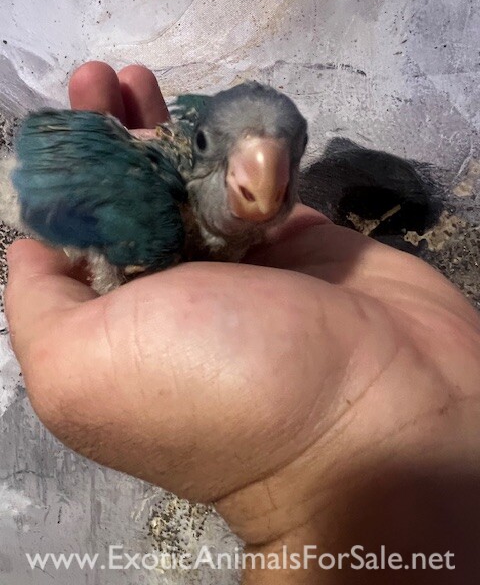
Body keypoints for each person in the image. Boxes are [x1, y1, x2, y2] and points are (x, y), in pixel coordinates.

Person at [5, 61, 480, 583]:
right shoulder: (155, 219)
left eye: (292, 152)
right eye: (211, 145)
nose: (265, 173)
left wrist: (319, 456)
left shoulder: (255, 225)